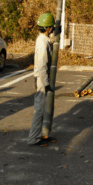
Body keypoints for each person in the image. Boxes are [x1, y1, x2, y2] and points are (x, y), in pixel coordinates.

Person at [27, 13, 58, 147]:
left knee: (44, 108)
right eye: (51, 28)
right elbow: (41, 66)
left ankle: (43, 134)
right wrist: (46, 84)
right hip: (41, 78)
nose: (52, 30)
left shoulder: (44, 40)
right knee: (39, 110)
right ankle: (33, 138)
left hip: (42, 78)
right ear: (48, 28)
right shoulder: (42, 43)